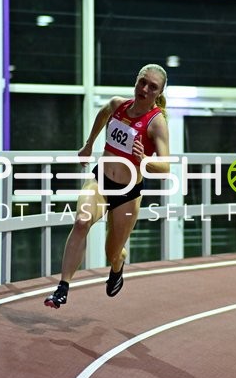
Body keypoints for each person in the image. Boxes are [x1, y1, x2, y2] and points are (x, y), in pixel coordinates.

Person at [44, 64, 171, 308]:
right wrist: (89, 144)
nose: (144, 89)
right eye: (142, 82)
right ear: (136, 80)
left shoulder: (156, 123)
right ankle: (63, 287)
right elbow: (102, 116)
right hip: (100, 181)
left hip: (127, 194)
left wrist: (144, 160)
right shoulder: (118, 105)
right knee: (81, 222)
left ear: (159, 92)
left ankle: (118, 264)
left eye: (152, 87)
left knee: (112, 252)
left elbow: (166, 168)